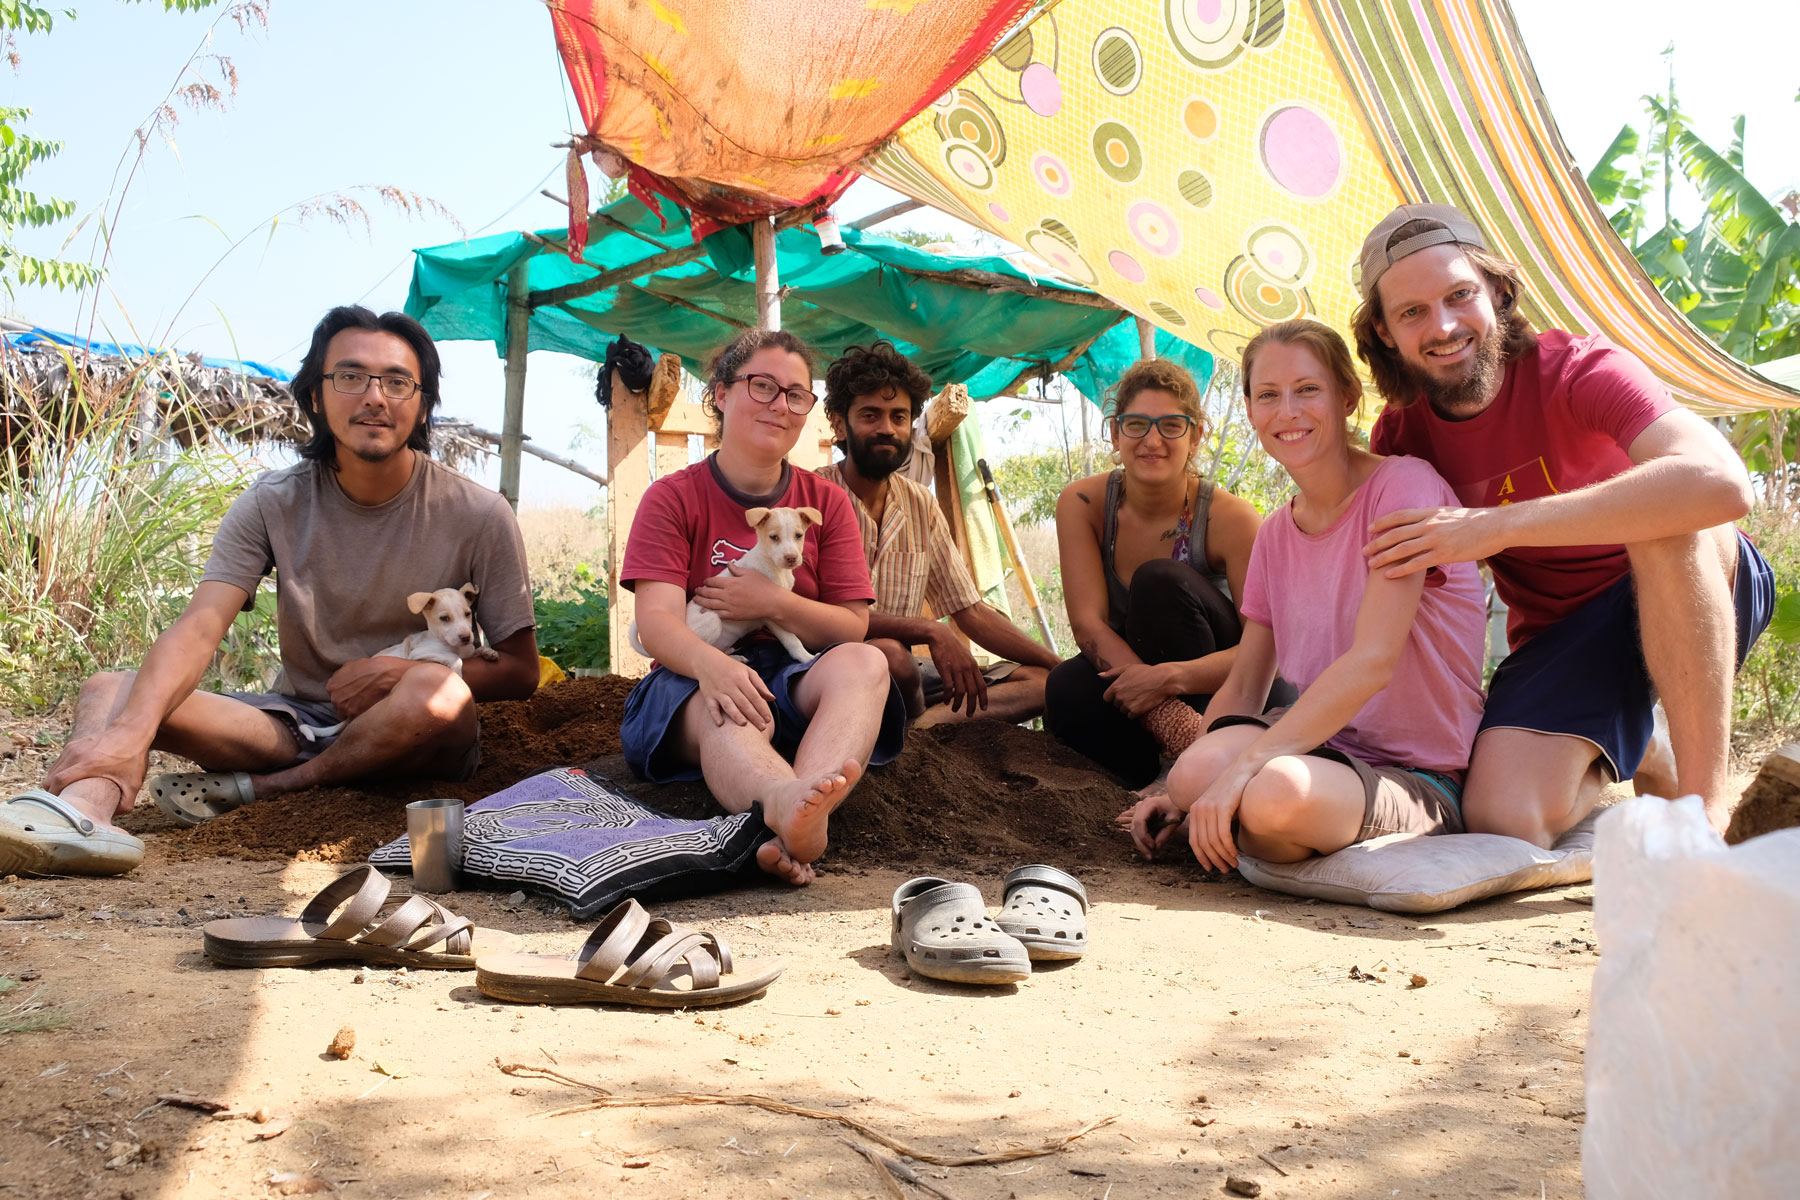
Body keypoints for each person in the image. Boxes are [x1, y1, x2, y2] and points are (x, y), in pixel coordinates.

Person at [0, 306, 541, 878]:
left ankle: (272, 789)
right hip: (298, 723)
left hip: (419, 733)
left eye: (397, 381)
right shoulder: (270, 502)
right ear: (314, 396)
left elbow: (520, 670)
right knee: (112, 690)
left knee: (438, 689)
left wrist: (397, 674)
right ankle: (83, 816)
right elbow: (202, 626)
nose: (375, 397)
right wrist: (132, 735)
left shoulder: (480, 513)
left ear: (423, 403)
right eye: (350, 377)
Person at [1353, 204, 1774, 842]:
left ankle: (1704, 815)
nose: (1442, 326)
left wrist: (1493, 527)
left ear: (1497, 290)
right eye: (1411, 312)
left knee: (1662, 518)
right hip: (1562, 634)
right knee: (1503, 819)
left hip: (1703, 579)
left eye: (1459, 294)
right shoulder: (1400, 439)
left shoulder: (1580, 370)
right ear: (1385, 332)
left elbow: (1721, 483)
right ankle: (1641, 740)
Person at [1123, 321, 1487, 871]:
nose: (1287, 411)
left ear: (1347, 397)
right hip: (1316, 749)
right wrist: (1175, 790)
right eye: (1268, 395)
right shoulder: (1274, 534)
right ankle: (1255, 826)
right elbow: (1247, 683)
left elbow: (1373, 661)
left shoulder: (1402, 487)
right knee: (1192, 775)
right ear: (1249, 410)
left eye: (1308, 390)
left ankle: (1265, 826)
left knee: (1273, 795)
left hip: (1414, 772)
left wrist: (1242, 772)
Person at [619, 328, 907, 887]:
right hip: (692, 675)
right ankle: (787, 803)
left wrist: (773, 599)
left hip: (792, 675)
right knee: (723, 704)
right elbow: (655, 623)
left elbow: (853, 625)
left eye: (796, 395)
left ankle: (803, 803)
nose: (781, 404)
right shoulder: (672, 498)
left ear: (807, 413)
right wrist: (715, 665)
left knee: (868, 663)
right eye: (763, 386)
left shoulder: (826, 503)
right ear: (722, 393)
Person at [1046, 358, 1290, 791]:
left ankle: (1196, 760)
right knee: (1066, 687)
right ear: (1115, 434)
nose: (1152, 441)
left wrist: (1169, 681)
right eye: (1136, 424)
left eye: (1171, 426)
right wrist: (1158, 707)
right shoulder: (1083, 503)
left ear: (1196, 436)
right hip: (1143, 681)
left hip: (1232, 688)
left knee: (1160, 580)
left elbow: (1267, 649)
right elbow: (1088, 624)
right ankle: (1155, 769)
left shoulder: (1230, 518)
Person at [814, 342, 1060, 726]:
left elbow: (970, 611)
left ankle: (925, 728)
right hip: (827, 672)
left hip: (908, 678)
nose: (887, 429)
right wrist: (927, 630)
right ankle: (918, 730)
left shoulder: (919, 504)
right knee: (889, 656)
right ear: (838, 422)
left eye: (899, 417)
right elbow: (815, 615)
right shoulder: (811, 499)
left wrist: (1059, 664)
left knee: (1041, 683)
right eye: (870, 415)